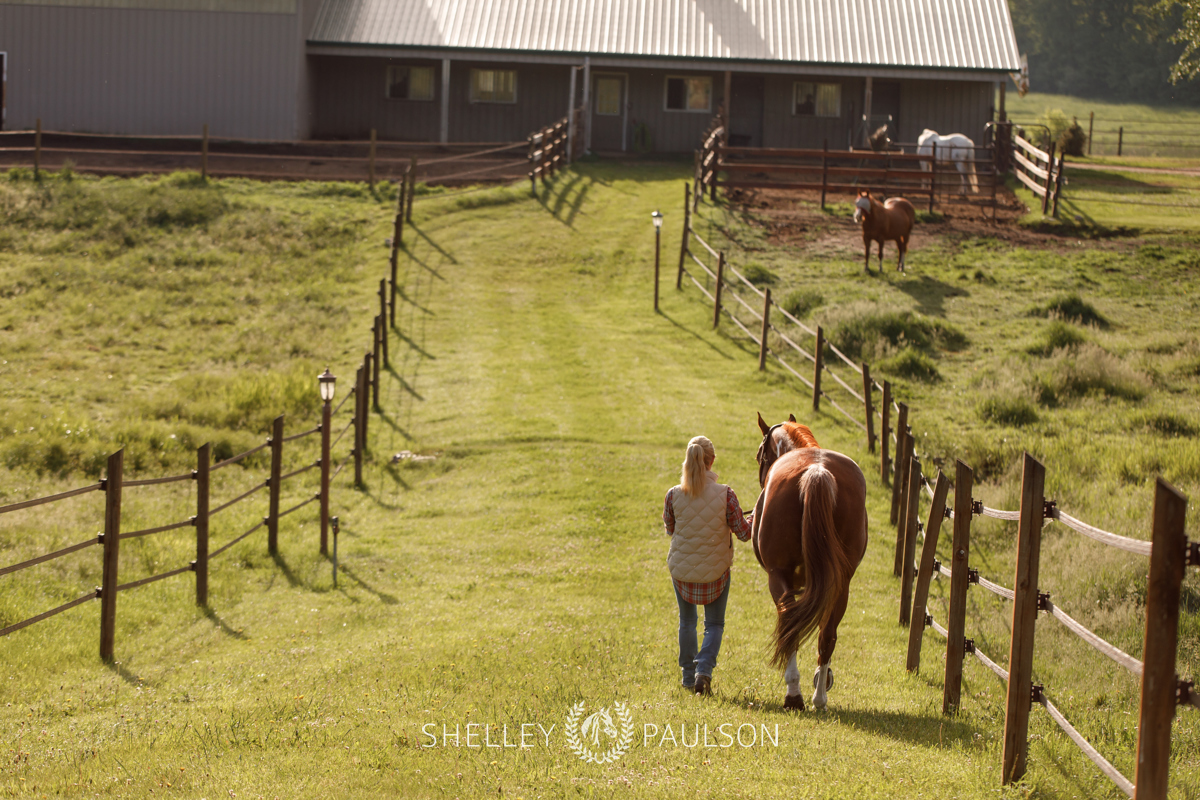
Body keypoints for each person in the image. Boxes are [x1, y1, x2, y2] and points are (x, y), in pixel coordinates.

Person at [662, 436, 754, 696]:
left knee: (687, 621)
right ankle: (704, 671)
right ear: (712, 461)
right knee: (714, 624)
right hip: (716, 572)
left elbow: (670, 528)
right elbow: (744, 534)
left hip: (681, 571)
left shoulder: (672, 494)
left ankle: (688, 677)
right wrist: (754, 518)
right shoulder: (727, 494)